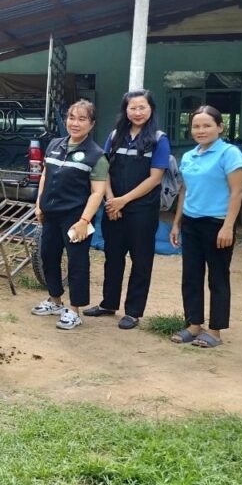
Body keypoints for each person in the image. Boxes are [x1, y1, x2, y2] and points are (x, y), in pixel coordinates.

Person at [85, 90, 171, 330]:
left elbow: (155, 178)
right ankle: (108, 303)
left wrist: (123, 200)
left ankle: (133, 312)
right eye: (132, 108)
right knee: (112, 257)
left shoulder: (159, 139)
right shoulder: (115, 136)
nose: (137, 112)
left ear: (151, 109)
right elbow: (104, 170)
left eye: (142, 107)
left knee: (141, 260)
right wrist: (111, 200)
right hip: (114, 208)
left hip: (142, 210)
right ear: (125, 110)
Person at [169, 105, 242, 348]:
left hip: (217, 224)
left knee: (217, 277)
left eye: (207, 125)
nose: (200, 130)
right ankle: (193, 325)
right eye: (196, 126)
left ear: (220, 127)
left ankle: (215, 331)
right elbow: (184, 191)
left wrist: (228, 226)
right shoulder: (189, 156)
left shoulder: (230, 154)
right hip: (191, 223)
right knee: (191, 276)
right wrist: (176, 223)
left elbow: (237, 192)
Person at [31, 100, 108, 330]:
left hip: (76, 218)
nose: (75, 123)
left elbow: (97, 192)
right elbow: (45, 175)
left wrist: (84, 221)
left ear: (91, 124)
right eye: (72, 118)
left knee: (77, 261)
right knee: (48, 255)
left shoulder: (96, 155)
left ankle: (74, 310)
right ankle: (55, 300)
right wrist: (39, 204)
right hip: (51, 214)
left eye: (82, 119)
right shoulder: (55, 144)